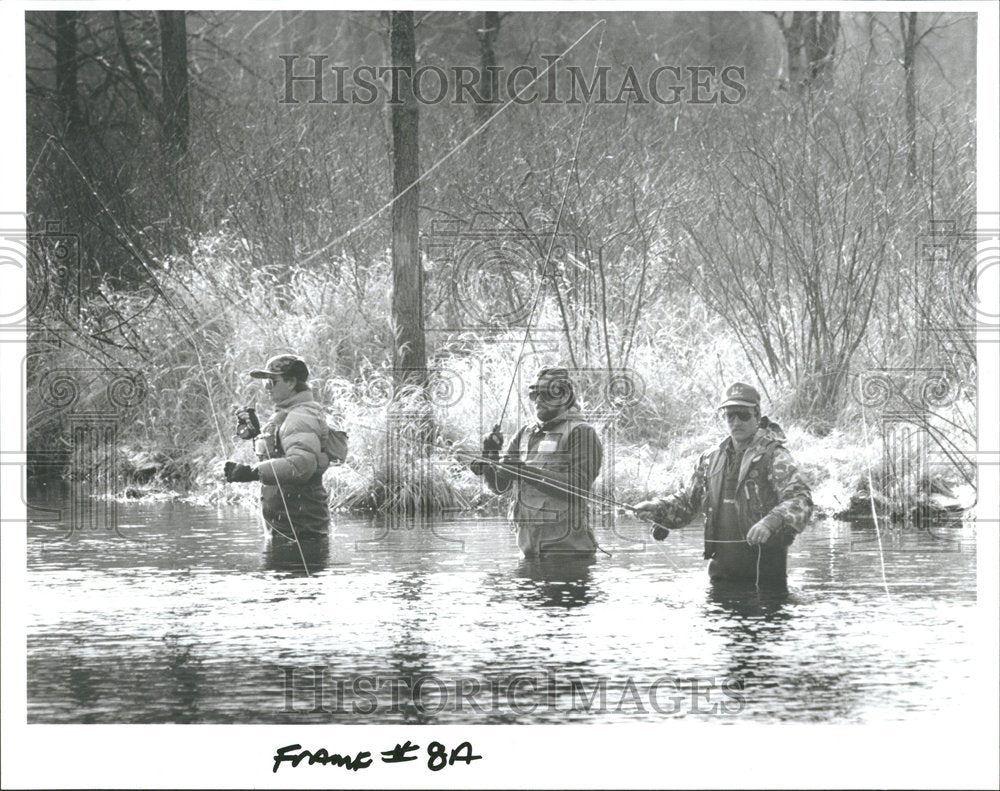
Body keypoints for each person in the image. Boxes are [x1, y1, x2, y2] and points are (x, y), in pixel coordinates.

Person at [632, 382, 812, 588]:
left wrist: (770, 522)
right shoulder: (710, 458)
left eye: (743, 415)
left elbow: (801, 500)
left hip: (765, 580)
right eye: (730, 415)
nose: (736, 421)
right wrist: (657, 509)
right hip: (720, 576)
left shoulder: (775, 456)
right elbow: (688, 503)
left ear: (757, 415)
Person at [470, 367, 603, 556]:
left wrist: (526, 472)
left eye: (546, 394)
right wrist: (490, 457)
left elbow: (578, 487)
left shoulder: (582, 432)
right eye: (534, 394)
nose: (538, 400)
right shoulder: (525, 433)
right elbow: (501, 486)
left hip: (570, 557)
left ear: (564, 396)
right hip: (528, 554)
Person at [223, 354, 331, 539]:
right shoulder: (288, 414)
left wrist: (252, 472)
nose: (266, 388)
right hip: (289, 529)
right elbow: (281, 455)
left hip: (301, 531)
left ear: (291, 382)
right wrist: (256, 433)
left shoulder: (300, 417)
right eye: (265, 383)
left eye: (271, 382)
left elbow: (301, 465)